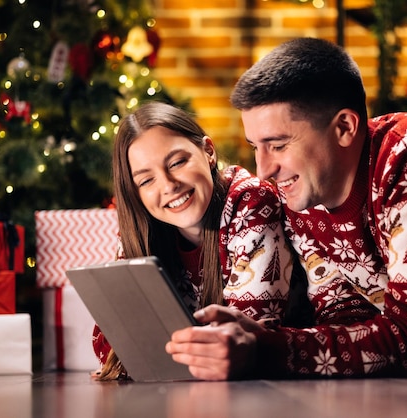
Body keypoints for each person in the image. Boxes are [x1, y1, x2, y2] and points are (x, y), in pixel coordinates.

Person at [165, 37, 407, 380]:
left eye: (278, 144)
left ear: (345, 128)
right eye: (256, 147)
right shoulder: (305, 192)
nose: (264, 169)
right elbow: (346, 322)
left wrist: (265, 348)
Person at [93, 101, 294, 379]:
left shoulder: (251, 202)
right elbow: (111, 346)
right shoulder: (143, 229)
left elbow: (244, 335)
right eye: (146, 181)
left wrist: (158, 347)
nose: (168, 185)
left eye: (177, 162)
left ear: (208, 152)